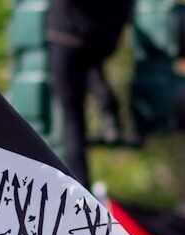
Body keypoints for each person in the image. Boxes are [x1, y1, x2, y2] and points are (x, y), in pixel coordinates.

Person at [47, 0, 133, 189]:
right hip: (97, 40)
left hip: (66, 37)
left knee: (72, 122)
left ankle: (82, 190)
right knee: (91, 67)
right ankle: (108, 105)